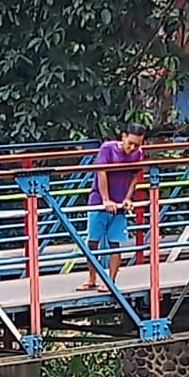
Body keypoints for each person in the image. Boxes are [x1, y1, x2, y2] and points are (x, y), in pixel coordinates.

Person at [79, 122, 147, 291]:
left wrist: (127, 198)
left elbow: (134, 177)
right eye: (130, 143)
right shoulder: (107, 148)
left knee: (114, 242)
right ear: (123, 137)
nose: (132, 148)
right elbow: (101, 172)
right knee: (92, 241)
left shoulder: (138, 154)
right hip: (99, 200)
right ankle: (92, 277)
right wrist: (105, 199)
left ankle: (111, 280)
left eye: (137, 145)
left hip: (120, 202)